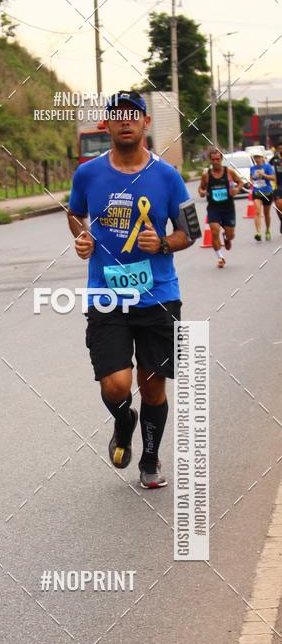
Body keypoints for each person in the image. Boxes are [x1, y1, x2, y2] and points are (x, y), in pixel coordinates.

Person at [67, 90, 197, 490]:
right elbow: (76, 214)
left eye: (133, 115)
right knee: (117, 385)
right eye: (117, 116)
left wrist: (160, 243)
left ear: (145, 123)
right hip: (106, 296)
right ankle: (124, 423)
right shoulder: (87, 174)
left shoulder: (167, 176)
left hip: (158, 295)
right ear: (107, 125)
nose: (125, 121)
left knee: (152, 384)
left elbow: (189, 231)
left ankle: (151, 457)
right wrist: (82, 237)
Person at [198, 148, 244, 267]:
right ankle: (220, 258)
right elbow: (201, 188)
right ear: (210, 160)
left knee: (231, 235)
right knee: (214, 231)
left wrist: (237, 189)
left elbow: (240, 182)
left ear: (221, 159)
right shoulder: (206, 175)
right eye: (213, 160)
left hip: (228, 208)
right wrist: (202, 192)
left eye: (218, 159)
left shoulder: (229, 172)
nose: (215, 162)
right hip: (214, 208)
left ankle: (226, 238)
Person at [250, 154, 276, 241]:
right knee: (257, 211)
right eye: (255, 157)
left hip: (267, 192)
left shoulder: (267, 167)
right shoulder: (252, 168)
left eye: (258, 157)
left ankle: (267, 230)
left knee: (266, 214)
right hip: (257, 192)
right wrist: (251, 182)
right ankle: (258, 232)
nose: (257, 159)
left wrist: (263, 175)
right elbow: (251, 178)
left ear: (262, 157)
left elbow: (273, 178)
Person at [270, 141, 282, 234]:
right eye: (280, 147)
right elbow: (268, 167)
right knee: (278, 205)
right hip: (278, 186)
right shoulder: (274, 159)